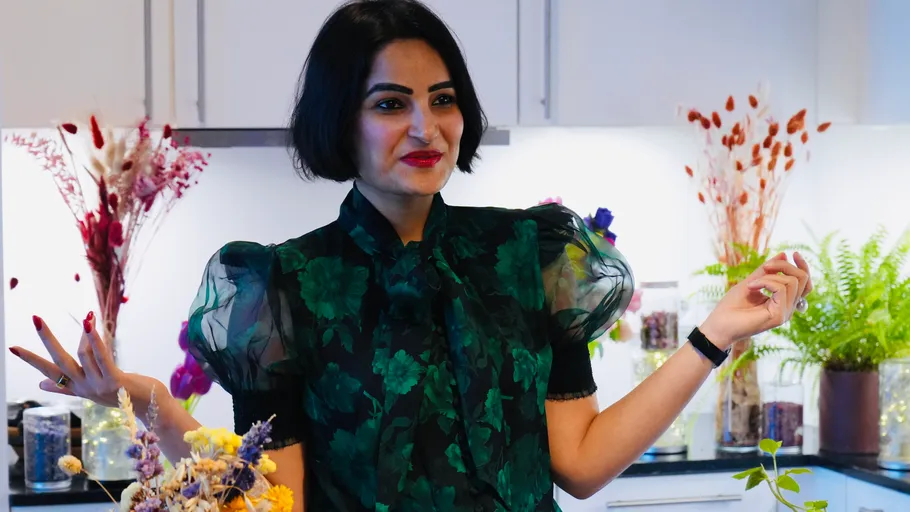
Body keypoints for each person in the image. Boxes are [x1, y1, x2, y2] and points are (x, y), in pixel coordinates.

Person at [9, 1, 813, 510]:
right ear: (340, 120)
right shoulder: (283, 286)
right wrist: (139, 394)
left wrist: (716, 336)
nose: (427, 129)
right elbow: (273, 495)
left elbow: (581, 463)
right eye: (390, 104)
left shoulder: (528, 254)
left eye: (443, 100)